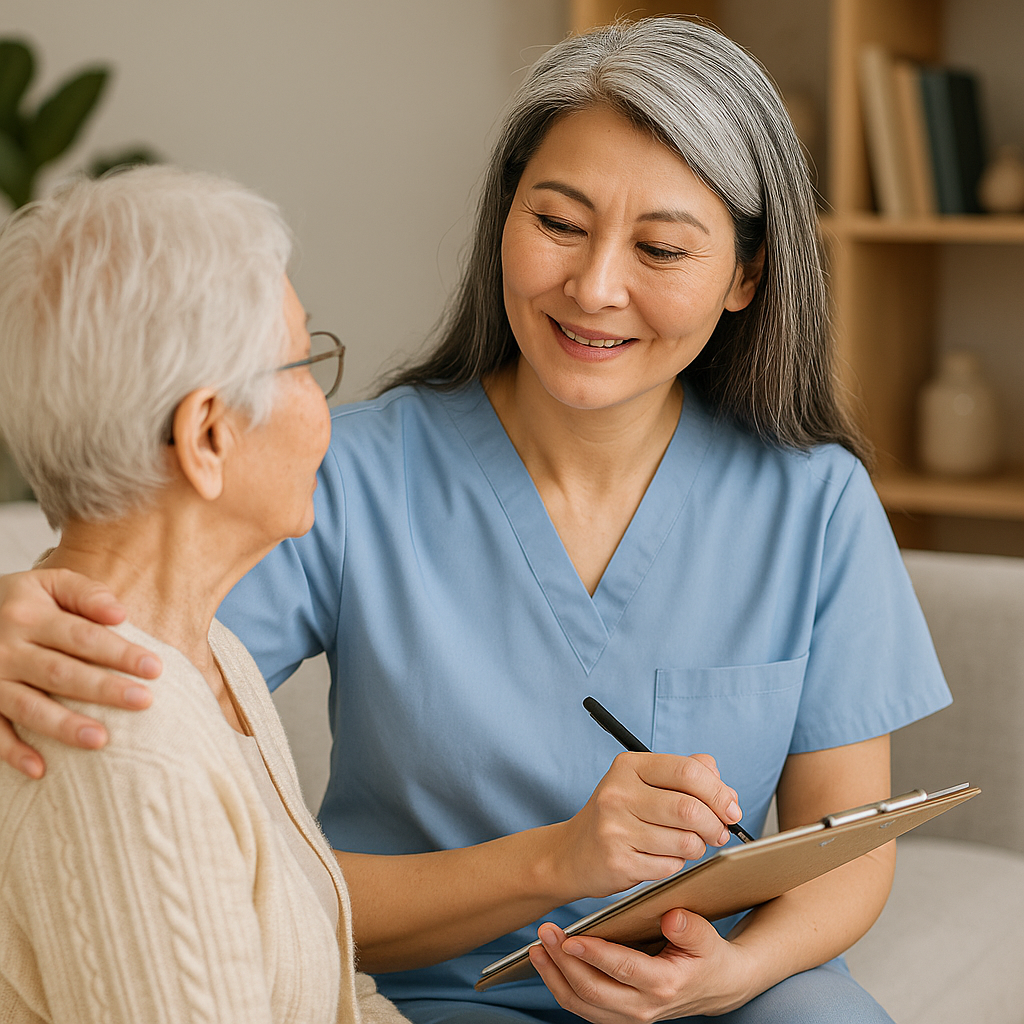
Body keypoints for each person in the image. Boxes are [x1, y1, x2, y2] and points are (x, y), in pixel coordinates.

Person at [0, 19, 950, 1024]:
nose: (592, 287)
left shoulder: (812, 500)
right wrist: (19, 614)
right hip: (448, 995)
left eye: (661, 246)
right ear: (504, 216)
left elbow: (849, 843)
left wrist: (734, 971)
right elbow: (136, 655)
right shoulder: (341, 473)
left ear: (746, 278)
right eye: (557, 222)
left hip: (716, 990)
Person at [0, 166, 406, 1024]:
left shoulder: (207, 655)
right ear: (208, 435)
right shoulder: (118, 743)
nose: (324, 408)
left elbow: (334, 992)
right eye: (304, 363)